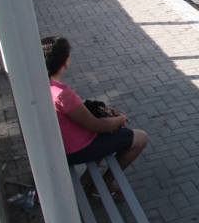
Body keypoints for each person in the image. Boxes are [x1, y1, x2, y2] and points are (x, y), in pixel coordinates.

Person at [43, 36, 148, 202]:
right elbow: (96, 125)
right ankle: (105, 185)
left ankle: (87, 178)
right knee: (140, 137)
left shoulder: (41, 86)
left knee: (112, 133)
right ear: (65, 61)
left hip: (58, 144)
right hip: (77, 150)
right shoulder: (62, 94)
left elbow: (76, 114)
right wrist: (120, 119)